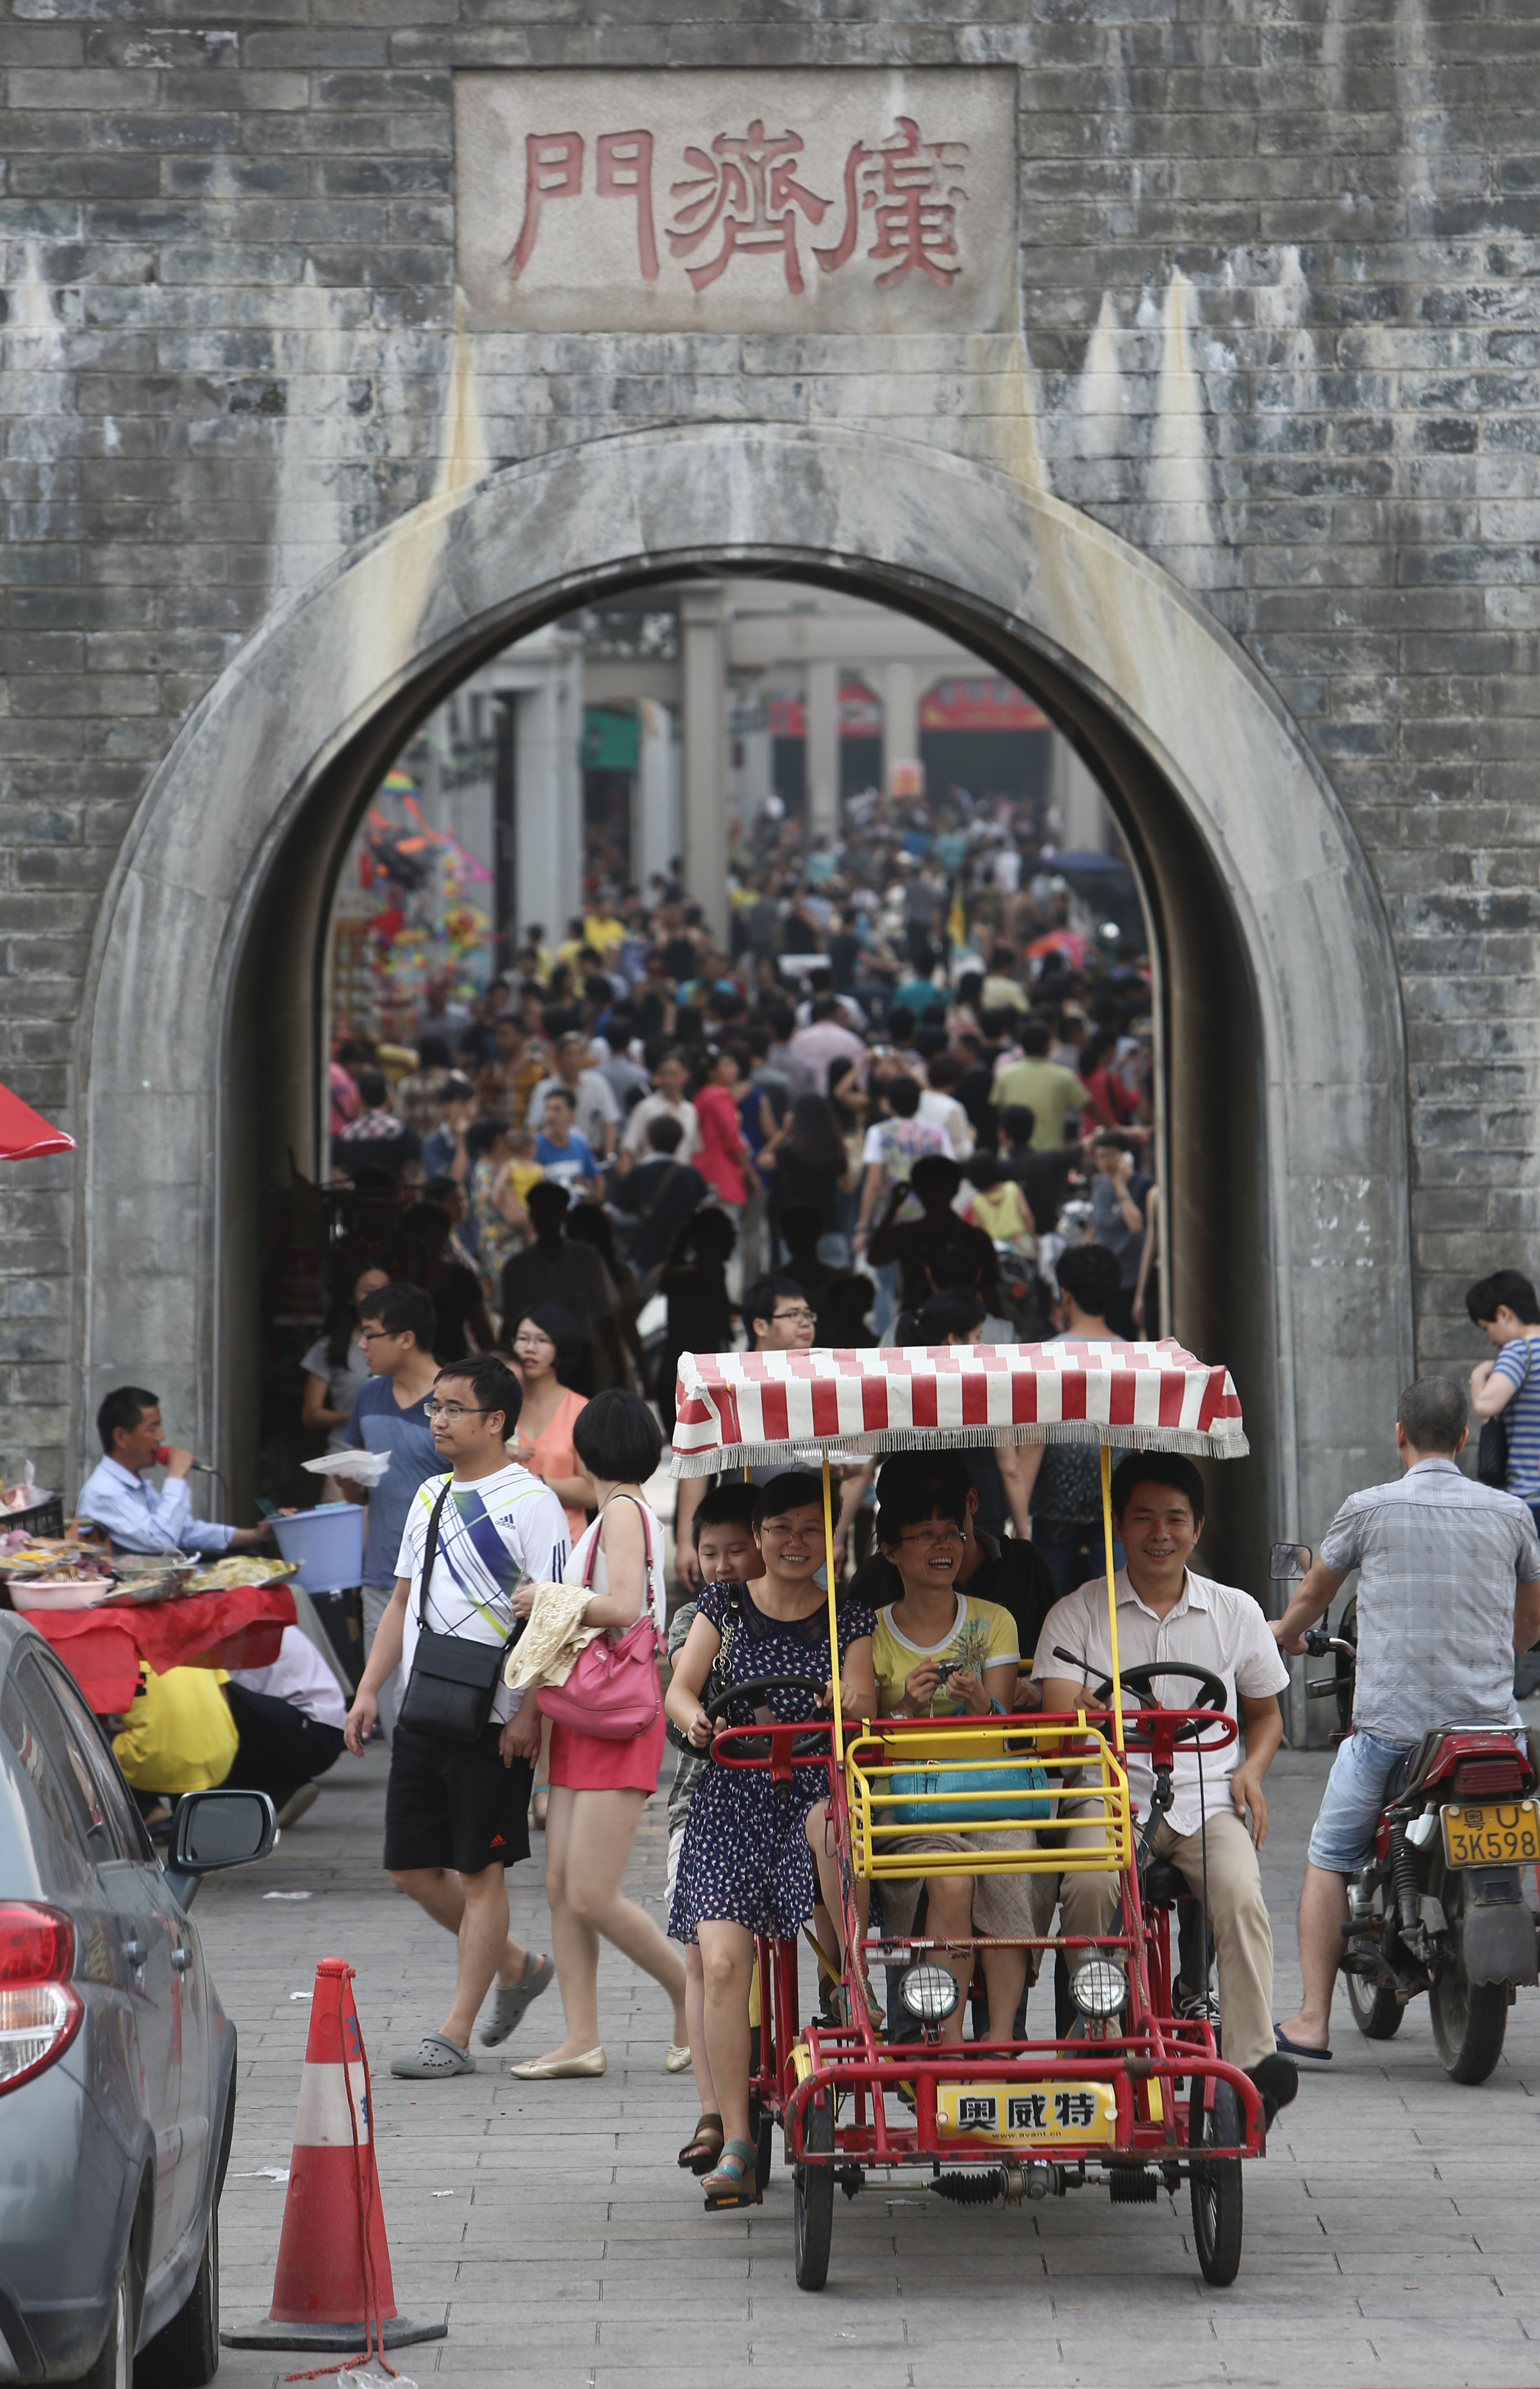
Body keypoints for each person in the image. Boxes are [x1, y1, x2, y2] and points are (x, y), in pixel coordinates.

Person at [1271, 1375, 1540, 2062]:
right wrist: (1493, 1649)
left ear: (1399, 1435)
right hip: (1491, 1732)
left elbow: (1312, 1594)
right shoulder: (1512, 1513)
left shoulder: (1368, 1508)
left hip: (1394, 1729)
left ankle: (1309, 2019)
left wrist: (1285, 1632)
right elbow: (1531, 1626)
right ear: (1462, 1438)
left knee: (1328, 1856)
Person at [1036, 1452, 1298, 2129]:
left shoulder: (1235, 1610)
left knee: (1241, 1894)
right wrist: (1091, 1709)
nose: (1161, 1532)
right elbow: (1056, 1723)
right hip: (1112, 1794)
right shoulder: (1078, 1613)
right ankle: (1097, 2030)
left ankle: (1250, 2065)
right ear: (1118, 1524)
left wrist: (1252, 1770)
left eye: (1175, 1517)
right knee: (1090, 1884)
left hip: (1207, 1799)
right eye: (1144, 1517)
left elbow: (1266, 1714)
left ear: (1198, 1525)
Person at [343, 1351, 569, 2079]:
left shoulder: (531, 1500)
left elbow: (557, 1618)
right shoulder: (431, 1494)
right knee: (410, 1865)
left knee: (480, 1871)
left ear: (496, 1420)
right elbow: (402, 1601)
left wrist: (530, 1710)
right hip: (426, 1706)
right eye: (433, 1406)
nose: (437, 1418)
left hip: (496, 1716)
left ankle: (456, 2031)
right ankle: (518, 1964)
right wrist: (370, 1688)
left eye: (452, 1408)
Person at [665, 1474, 877, 2206]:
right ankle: (734, 2139)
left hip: (813, 1794)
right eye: (779, 1528)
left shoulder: (849, 1618)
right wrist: (695, 1716)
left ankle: (847, 1976)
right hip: (733, 1797)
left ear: (832, 1539)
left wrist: (844, 1701)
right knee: (722, 1966)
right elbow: (681, 1686)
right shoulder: (720, 1604)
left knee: (832, 1824)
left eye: (809, 1529)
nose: (794, 1542)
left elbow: (864, 1703)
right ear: (757, 1536)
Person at [506, 1392, 688, 2081]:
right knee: (560, 1885)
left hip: (615, 1718)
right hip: (585, 1715)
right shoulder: (624, 1508)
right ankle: (581, 2037)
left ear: (593, 1447)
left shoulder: (622, 1509)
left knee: (589, 1892)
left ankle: (690, 1991)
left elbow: (624, 1607)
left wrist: (545, 1598)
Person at [868, 1480, 1041, 2045]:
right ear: (891, 1549)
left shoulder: (994, 1621)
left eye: (953, 1534)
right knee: (950, 1880)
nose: (943, 1546)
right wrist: (905, 1708)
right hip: (909, 1806)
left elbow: (1002, 1731)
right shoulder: (869, 1633)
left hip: (990, 1795)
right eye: (924, 1535)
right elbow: (866, 1742)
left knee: (1015, 1859)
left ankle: (997, 2042)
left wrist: (978, 1704)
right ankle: (942, 2041)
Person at [665, 1482, 764, 2176]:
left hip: (790, 1794)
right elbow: (680, 1692)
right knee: (705, 1953)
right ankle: (712, 2108)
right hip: (704, 1797)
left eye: (738, 1549)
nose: (725, 1563)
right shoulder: (696, 1619)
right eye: (711, 1551)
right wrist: (699, 1718)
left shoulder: (820, 1618)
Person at [338, 1283, 443, 1742]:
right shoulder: (368, 1397)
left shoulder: (456, 1399)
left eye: (370, 1334)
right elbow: (361, 1493)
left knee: (431, 1709)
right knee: (391, 1709)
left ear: (406, 1338)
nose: (361, 1345)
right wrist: (349, 1483)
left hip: (444, 1579)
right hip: (382, 1574)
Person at [672, 1273, 817, 1582]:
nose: (805, 1322)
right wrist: (687, 1542)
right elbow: (699, 1463)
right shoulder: (728, 1382)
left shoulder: (821, 1380)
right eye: (793, 1315)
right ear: (760, 1326)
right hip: (741, 1535)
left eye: (808, 1314)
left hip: (804, 1536)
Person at [1018, 1245, 1128, 1596]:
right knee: (1118, 1605)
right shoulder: (1131, 1357)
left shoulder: (1048, 1357)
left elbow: (1034, 1442)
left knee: (1049, 1608)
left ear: (1065, 1295)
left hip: (1055, 1510)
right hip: (1116, 1510)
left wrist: (1020, 1523)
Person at [78, 1388, 273, 1557]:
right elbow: (162, 1541)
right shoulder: (103, 1491)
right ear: (121, 1437)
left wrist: (256, 1535)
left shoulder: (135, 1482)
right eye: (152, 1429)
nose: (161, 1437)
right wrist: (176, 1476)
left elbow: (184, 1532)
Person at [500, 1182, 626, 1389]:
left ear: (564, 1215)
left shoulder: (587, 1259)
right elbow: (509, 1325)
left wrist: (619, 1367)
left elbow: (606, 1318)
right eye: (541, 1212)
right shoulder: (517, 1268)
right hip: (532, 1360)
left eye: (552, 1212)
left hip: (579, 1359)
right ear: (532, 1216)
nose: (546, 1219)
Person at [224, 1623, 348, 1830]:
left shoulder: (238, 1624)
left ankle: (219, 1796)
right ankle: (281, 1787)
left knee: (214, 1693)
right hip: (317, 1730)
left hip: (315, 1732)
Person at [508, 1306, 595, 1548]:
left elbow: (591, 1491)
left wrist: (533, 1481)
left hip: (566, 1544)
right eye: (523, 1339)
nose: (530, 1348)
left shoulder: (581, 1410)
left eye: (542, 1340)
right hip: (506, 1544)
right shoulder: (500, 1406)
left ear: (562, 1347)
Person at [1466, 1269, 1540, 1522]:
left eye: (1487, 1328)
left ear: (1504, 1314)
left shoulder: (1520, 1350)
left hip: (1529, 1496)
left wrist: (1478, 1376)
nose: (1490, 1339)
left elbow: (1485, 1405)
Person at [852, 1075, 952, 1259]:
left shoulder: (879, 1133)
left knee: (889, 1282)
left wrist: (863, 1227)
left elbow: (873, 1183)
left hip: (889, 1219)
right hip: (930, 1218)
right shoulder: (937, 1133)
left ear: (890, 1103)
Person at [609, 1115, 707, 1284]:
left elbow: (616, 1212)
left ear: (650, 1140)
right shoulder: (692, 1175)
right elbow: (704, 1211)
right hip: (681, 1257)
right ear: (681, 1140)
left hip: (644, 1256)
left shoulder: (639, 1174)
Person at [1086, 1133, 1153, 1338]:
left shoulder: (1143, 1186)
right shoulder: (1098, 1183)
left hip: (1129, 1278)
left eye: (1109, 1156)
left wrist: (1120, 1186)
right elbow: (1093, 1226)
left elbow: (1136, 1226)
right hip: (1102, 1278)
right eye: (1099, 1157)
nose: (1104, 1163)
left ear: (1125, 1156)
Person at [990, 1019, 1088, 1151]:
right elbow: (1089, 1106)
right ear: (1048, 1046)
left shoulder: (1005, 1074)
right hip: (1050, 1158)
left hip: (1011, 1157)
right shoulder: (1064, 1076)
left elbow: (999, 1114)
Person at [525, 1031, 621, 1162]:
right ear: (558, 1058)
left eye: (578, 1054)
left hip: (593, 1154)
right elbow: (533, 1125)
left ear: (585, 1057)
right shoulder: (544, 1088)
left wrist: (609, 1156)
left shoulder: (598, 1083)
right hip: (553, 1157)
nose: (573, 1060)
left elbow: (610, 1122)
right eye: (568, 1054)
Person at [331, 1067, 421, 1183]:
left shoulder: (347, 1134)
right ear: (388, 1098)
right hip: (392, 1198)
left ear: (359, 1100)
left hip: (357, 1199)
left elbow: (331, 1165)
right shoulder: (400, 1131)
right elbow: (422, 1159)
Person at [620, 1049, 702, 1163]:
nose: (668, 1080)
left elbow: (694, 1152)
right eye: (664, 1074)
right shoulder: (646, 1108)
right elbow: (628, 1149)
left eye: (673, 1074)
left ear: (686, 1075)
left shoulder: (691, 1111)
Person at [534, 1086, 602, 1197]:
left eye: (557, 1110)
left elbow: (597, 1181)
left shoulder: (580, 1143)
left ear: (572, 1113)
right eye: (547, 1109)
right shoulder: (534, 1146)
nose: (550, 1115)